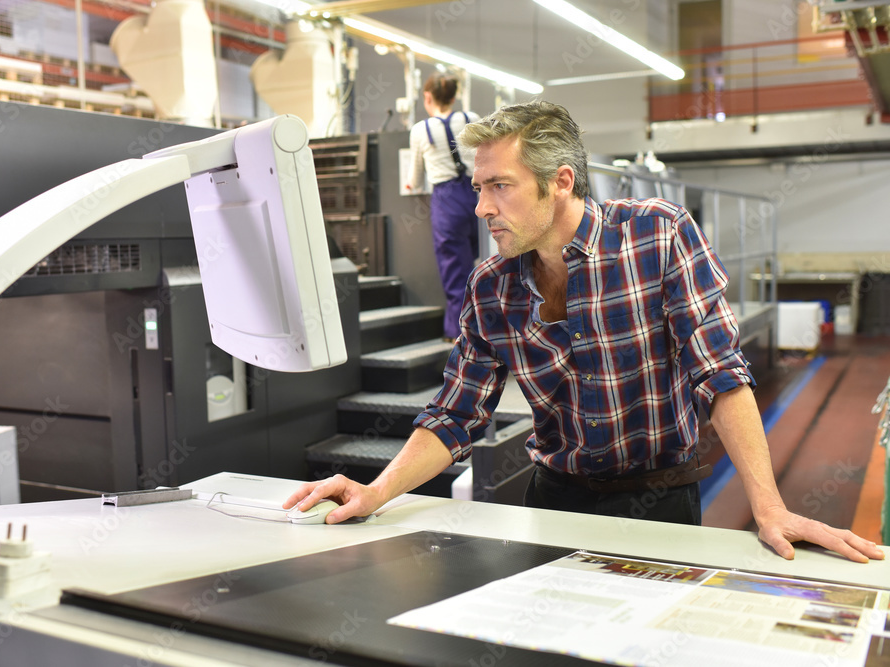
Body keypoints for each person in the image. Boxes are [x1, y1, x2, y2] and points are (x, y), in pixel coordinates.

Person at [287, 101, 883, 564]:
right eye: (478, 187)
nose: (481, 208)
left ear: (561, 181)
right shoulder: (490, 285)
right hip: (555, 498)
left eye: (500, 186)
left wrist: (768, 506)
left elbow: (719, 372)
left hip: (661, 499)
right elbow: (456, 413)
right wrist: (376, 492)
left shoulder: (657, 235)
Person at [406, 73, 481, 340]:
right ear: (453, 96)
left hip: (447, 199)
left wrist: (411, 184)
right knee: (484, 261)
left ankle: (460, 332)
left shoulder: (420, 130)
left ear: (428, 98)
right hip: (478, 194)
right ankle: (491, 327)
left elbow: (413, 179)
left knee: (454, 266)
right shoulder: (471, 118)